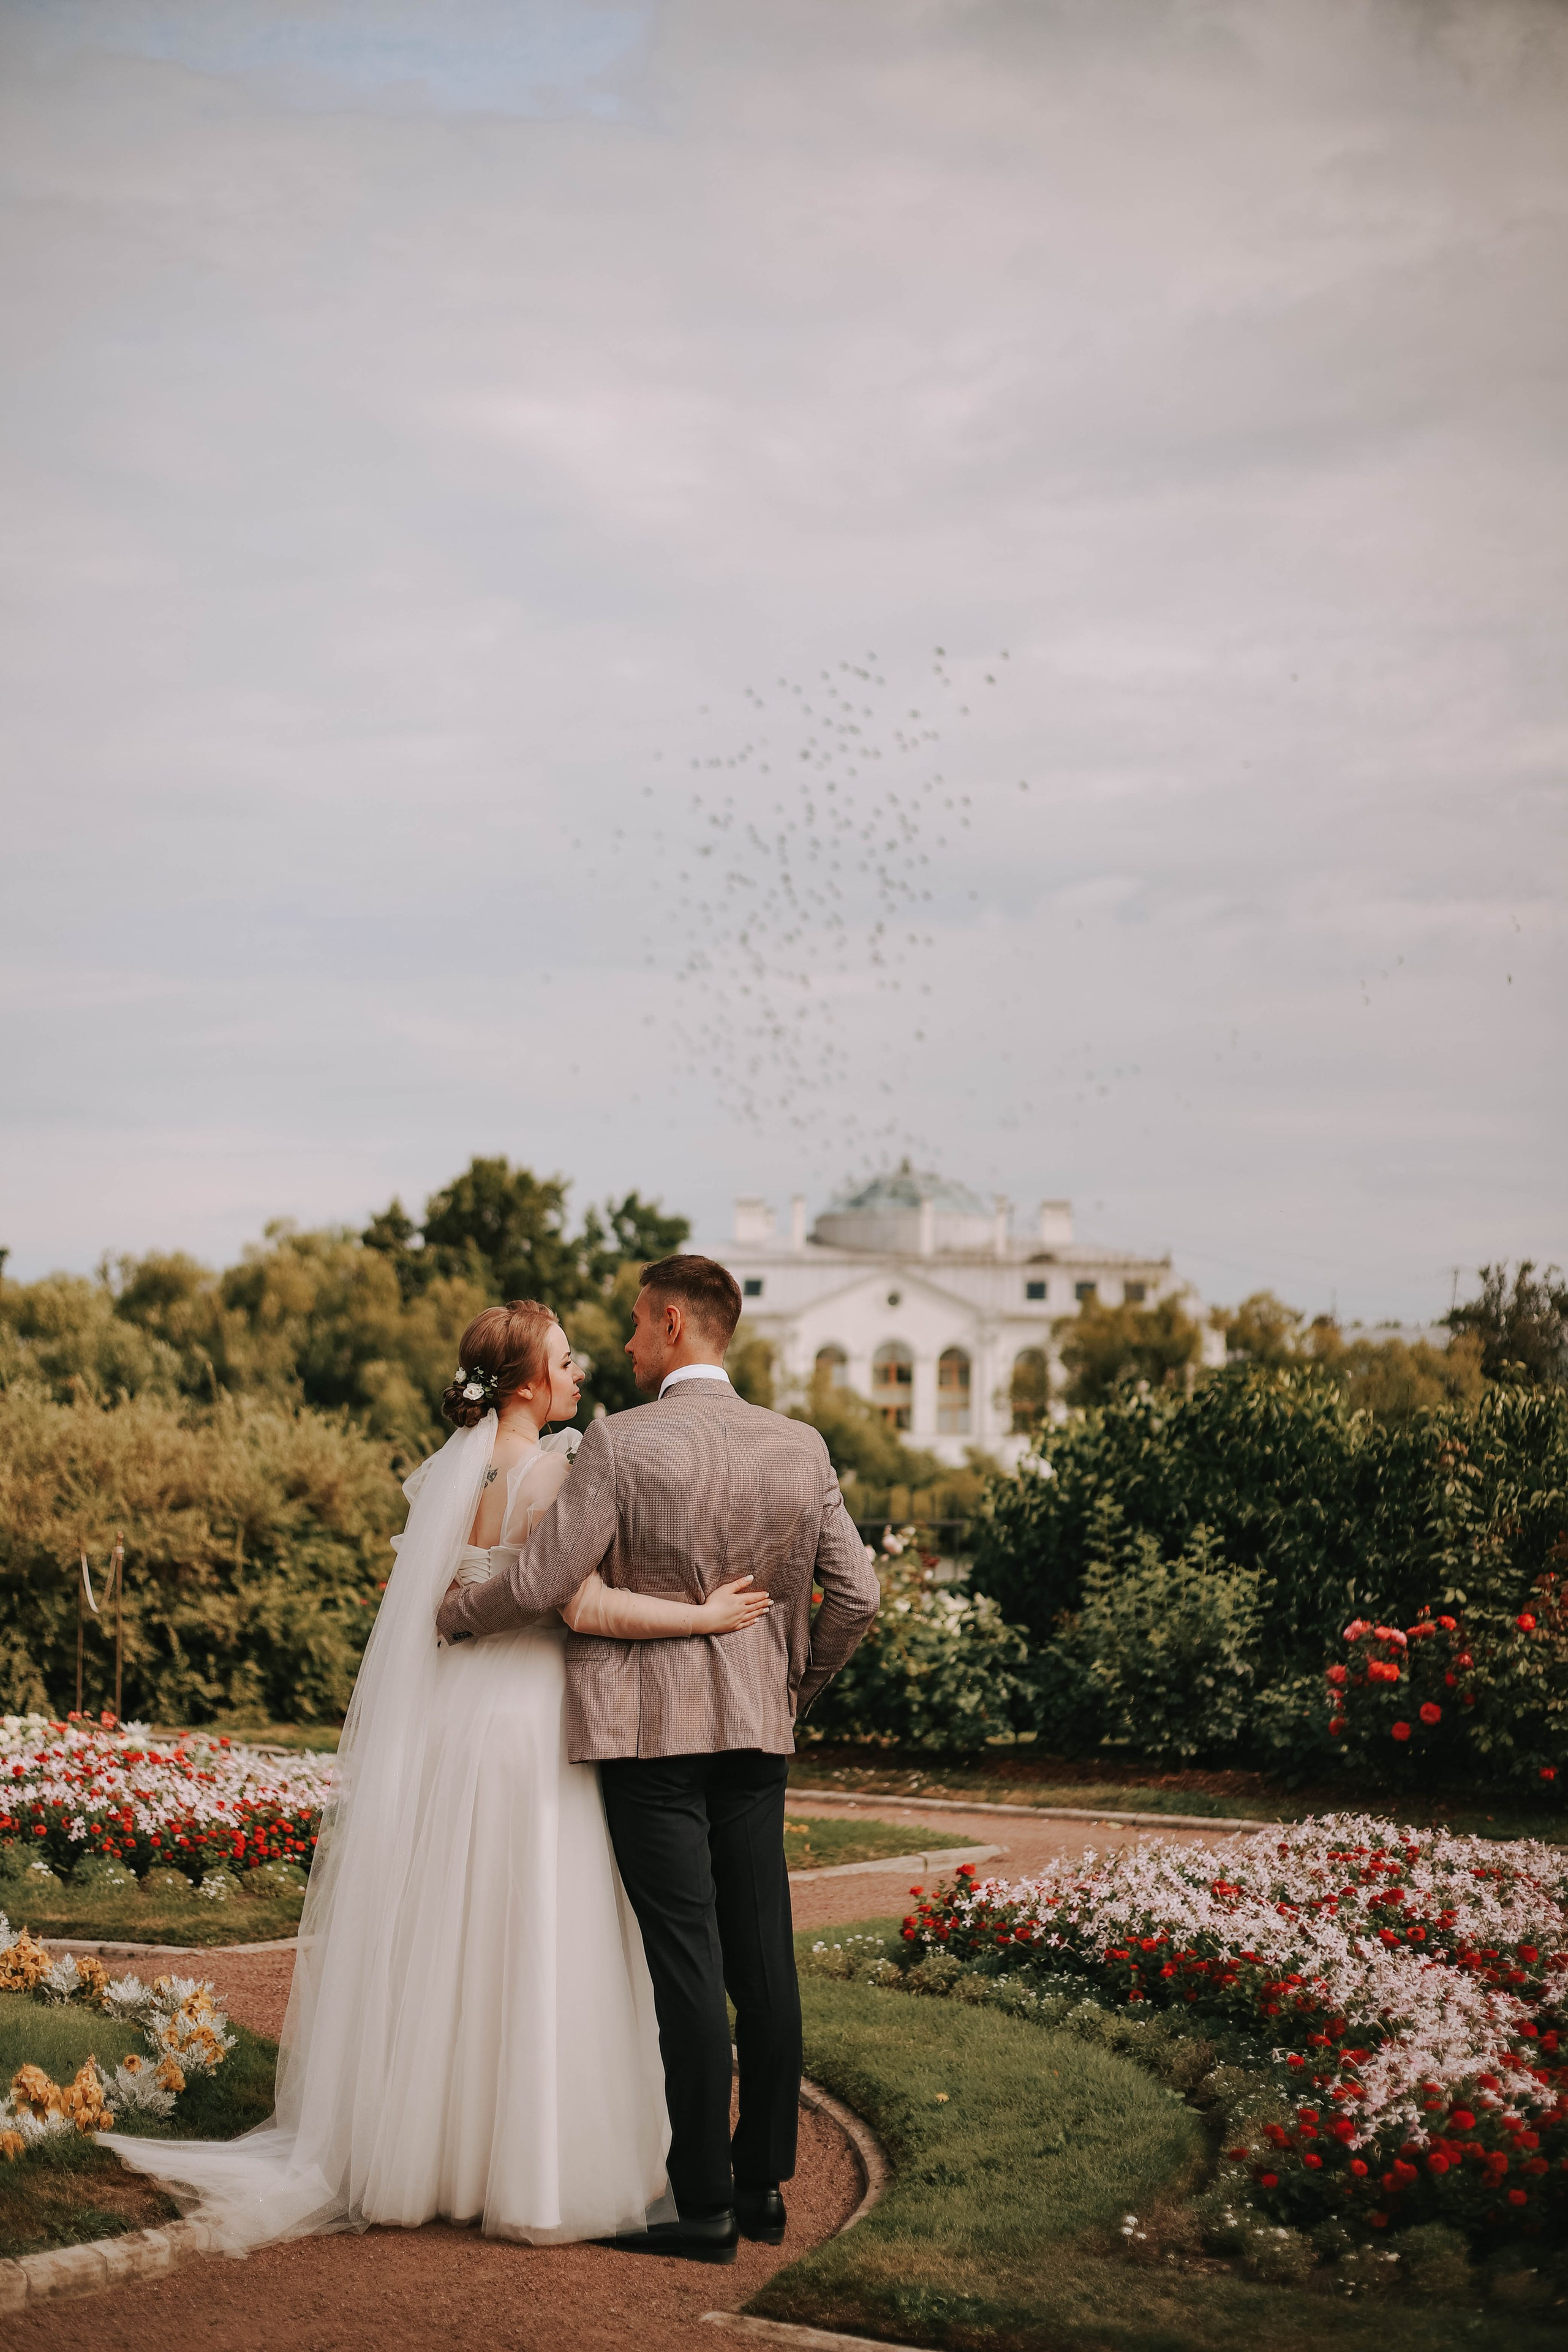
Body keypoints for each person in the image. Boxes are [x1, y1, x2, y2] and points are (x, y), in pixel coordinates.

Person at [104, 1298, 773, 2252]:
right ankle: (525, 2162)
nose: (581, 1367)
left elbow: (436, 1602)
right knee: (540, 1923)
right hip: (537, 1717)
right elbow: (579, 1607)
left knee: (453, 1924)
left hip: (461, 1718)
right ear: (530, 1383)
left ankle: (423, 2152)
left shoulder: (450, 1482)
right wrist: (703, 1618)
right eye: (566, 1358)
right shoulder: (554, 1473)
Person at [436, 1254, 881, 2264]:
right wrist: (789, 1690)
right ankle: (766, 2185)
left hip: (651, 1742)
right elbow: (858, 1597)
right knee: (765, 1960)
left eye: (638, 1324)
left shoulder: (621, 1445)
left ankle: (706, 2207)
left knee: (688, 1967)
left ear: (676, 1322)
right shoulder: (800, 1447)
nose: (627, 1343)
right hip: (755, 1738)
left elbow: (547, 1578)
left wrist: (457, 1610)